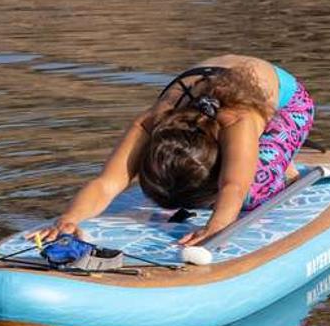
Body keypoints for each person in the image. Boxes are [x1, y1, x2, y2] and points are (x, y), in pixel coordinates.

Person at [30, 54, 315, 247]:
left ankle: (282, 163)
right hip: (218, 94)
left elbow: (233, 186)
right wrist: (69, 219)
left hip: (288, 105)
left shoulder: (238, 120)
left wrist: (217, 227)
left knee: (253, 190)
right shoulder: (154, 121)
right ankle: (260, 158)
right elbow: (106, 183)